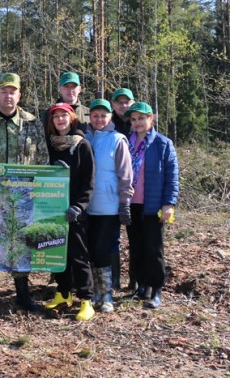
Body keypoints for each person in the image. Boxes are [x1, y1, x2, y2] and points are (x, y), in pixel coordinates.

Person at [0, 72, 49, 312]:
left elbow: (43, 159)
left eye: (12, 91)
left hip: (22, 199)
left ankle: (23, 294)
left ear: (19, 95)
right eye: (3, 91)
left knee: (22, 244)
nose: (8, 96)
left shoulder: (32, 122)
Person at [43, 103, 96, 321]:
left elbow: (89, 181)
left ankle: (86, 300)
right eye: (56, 117)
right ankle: (63, 293)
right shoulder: (49, 145)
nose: (60, 120)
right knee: (58, 254)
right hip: (52, 210)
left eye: (64, 116)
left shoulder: (82, 145)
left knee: (78, 255)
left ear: (72, 118)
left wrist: (79, 206)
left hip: (74, 212)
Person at [124, 102, 179, 309]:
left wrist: (168, 203)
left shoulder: (163, 144)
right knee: (136, 246)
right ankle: (141, 286)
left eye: (141, 118)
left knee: (153, 248)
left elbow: (172, 177)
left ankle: (156, 290)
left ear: (151, 119)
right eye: (134, 119)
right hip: (131, 205)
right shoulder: (127, 142)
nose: (137, 122)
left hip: (152, 205)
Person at [85, 99, 134, 314]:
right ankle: (94, 291)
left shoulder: (118, 140)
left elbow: (126, 175)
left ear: (110, 117)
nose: (99, 119)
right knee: (90, 250)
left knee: (102, 249)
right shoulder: (84, 138)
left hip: (108, 205)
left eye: (103, 115)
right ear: (90, 117)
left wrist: (125, 202)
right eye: (95, 115)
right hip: (87, 205)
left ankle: (107, 294)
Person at [109, 88, 135, 288]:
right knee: (113, 236)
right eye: (119, 102)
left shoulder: (139, 124)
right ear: (113, 105)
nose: (123, 105)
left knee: (136, 237)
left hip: (138, 190)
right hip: (113, 189)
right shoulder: (108, 126)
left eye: (126, 102)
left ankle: (135, 280)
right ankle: (114, 280)